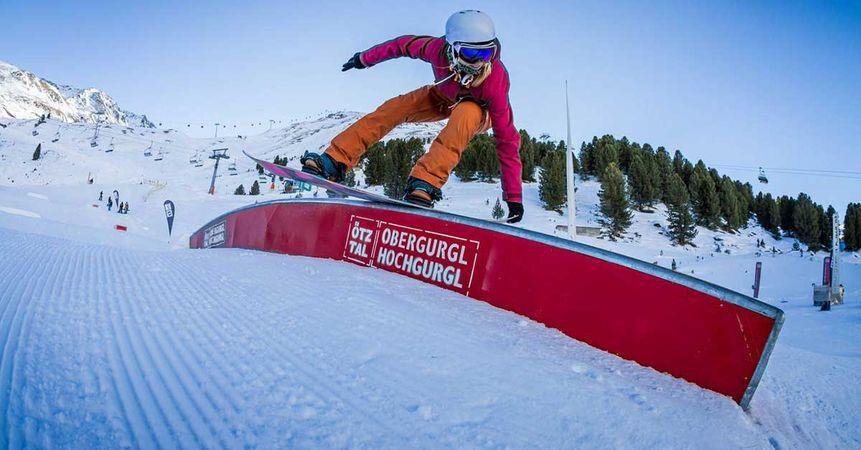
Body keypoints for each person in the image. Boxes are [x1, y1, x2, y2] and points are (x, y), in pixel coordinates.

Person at [300, 10, 523, 223]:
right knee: (396, 107)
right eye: (472, 53)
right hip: (443, 95)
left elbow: (507, 140)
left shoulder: (495, 80)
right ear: (453, 47)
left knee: (466, 113)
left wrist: (513, 196)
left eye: (486, 53)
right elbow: (401, 45)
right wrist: (364, 59)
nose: (480, 61)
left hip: (479, 111)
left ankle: (425, 183)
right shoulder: (435, 49)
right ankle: (335, 160)